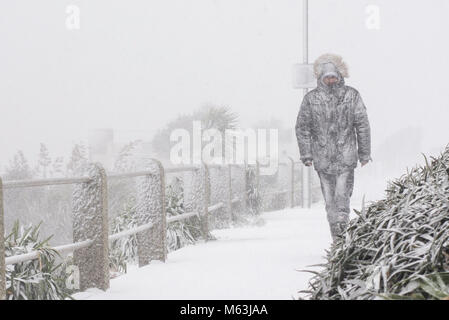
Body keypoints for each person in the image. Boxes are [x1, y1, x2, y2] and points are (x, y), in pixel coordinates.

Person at [295, 53, 372, 242]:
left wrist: (364, 153)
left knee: (342, 197)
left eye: (333, 76)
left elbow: (362, 124)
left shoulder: (351, 95)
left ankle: (343, 233)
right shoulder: (311, 99)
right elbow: (302, 127)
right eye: (327, 77)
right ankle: (336, 237)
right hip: (322, 159)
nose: (330, 80)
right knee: (329, 202)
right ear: (321, 77)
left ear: (339, 76)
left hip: (346, 157)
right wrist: (306, 154)